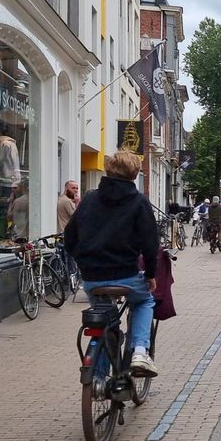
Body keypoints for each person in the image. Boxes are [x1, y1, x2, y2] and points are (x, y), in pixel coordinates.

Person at [64, 149, 159, 377]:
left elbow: (69, 236)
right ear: (134, 174)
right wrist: (151, 274)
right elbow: (150, 244)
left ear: (108, 170)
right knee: (145, 301)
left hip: (92, 278)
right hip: (126, 274)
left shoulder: (89, 199)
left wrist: (83, 261)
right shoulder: (139, 202)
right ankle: (139, 352)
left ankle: (96, 379)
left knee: (105, 318)